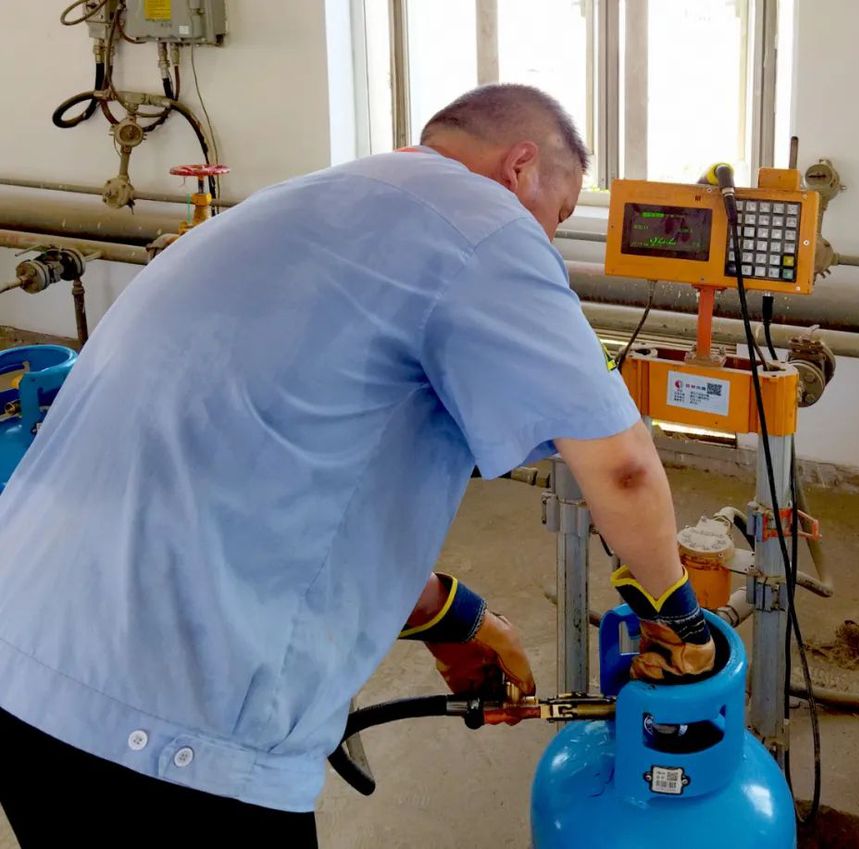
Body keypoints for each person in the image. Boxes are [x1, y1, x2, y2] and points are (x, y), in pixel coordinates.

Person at [0, 84, 713, 847]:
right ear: (520, 167)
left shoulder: (292, 205)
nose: (549, 238)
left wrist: (450, 616)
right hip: (165, 724)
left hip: (25, 661)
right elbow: (623, 468)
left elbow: (260, 484)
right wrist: (674, 615)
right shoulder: (485, 222)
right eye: (559, 214)